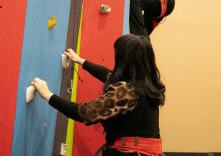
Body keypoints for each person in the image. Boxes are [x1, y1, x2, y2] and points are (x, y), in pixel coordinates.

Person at [31, 34, 166, 156]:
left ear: (124, 60)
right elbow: (108, 75)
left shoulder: (127, 91)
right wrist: (81, 61)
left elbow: (86, 113)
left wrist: (48, 95)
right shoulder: (148, 84)